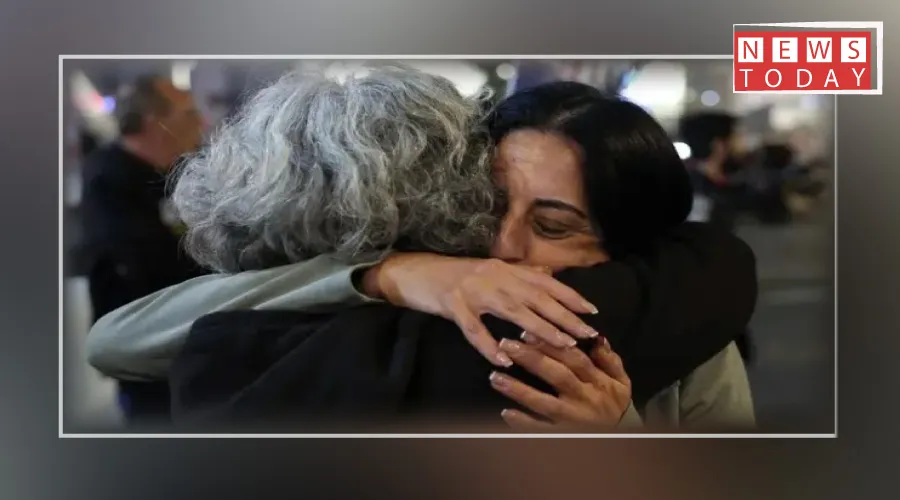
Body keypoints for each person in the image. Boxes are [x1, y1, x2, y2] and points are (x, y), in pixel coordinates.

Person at [89, 68, 756, 430]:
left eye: (554, 227)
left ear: (624, 239)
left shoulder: (689, 334)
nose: (502, 244)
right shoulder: (418, 289)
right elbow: (117, 340)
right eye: (489, 203)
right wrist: (387, 274)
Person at [79, 75, 207, 424]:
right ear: (156, 123)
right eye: (188, 114)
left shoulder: (173, 171)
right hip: (145, 336)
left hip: (186, 333)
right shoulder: (109, 177)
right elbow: (143, 262)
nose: (200, 122)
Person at [678, 111, 756, 363]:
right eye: (735, 137)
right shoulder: (695, 190)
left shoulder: (719, 186)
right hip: (702, 305)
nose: (741, 144)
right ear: (718, 145)